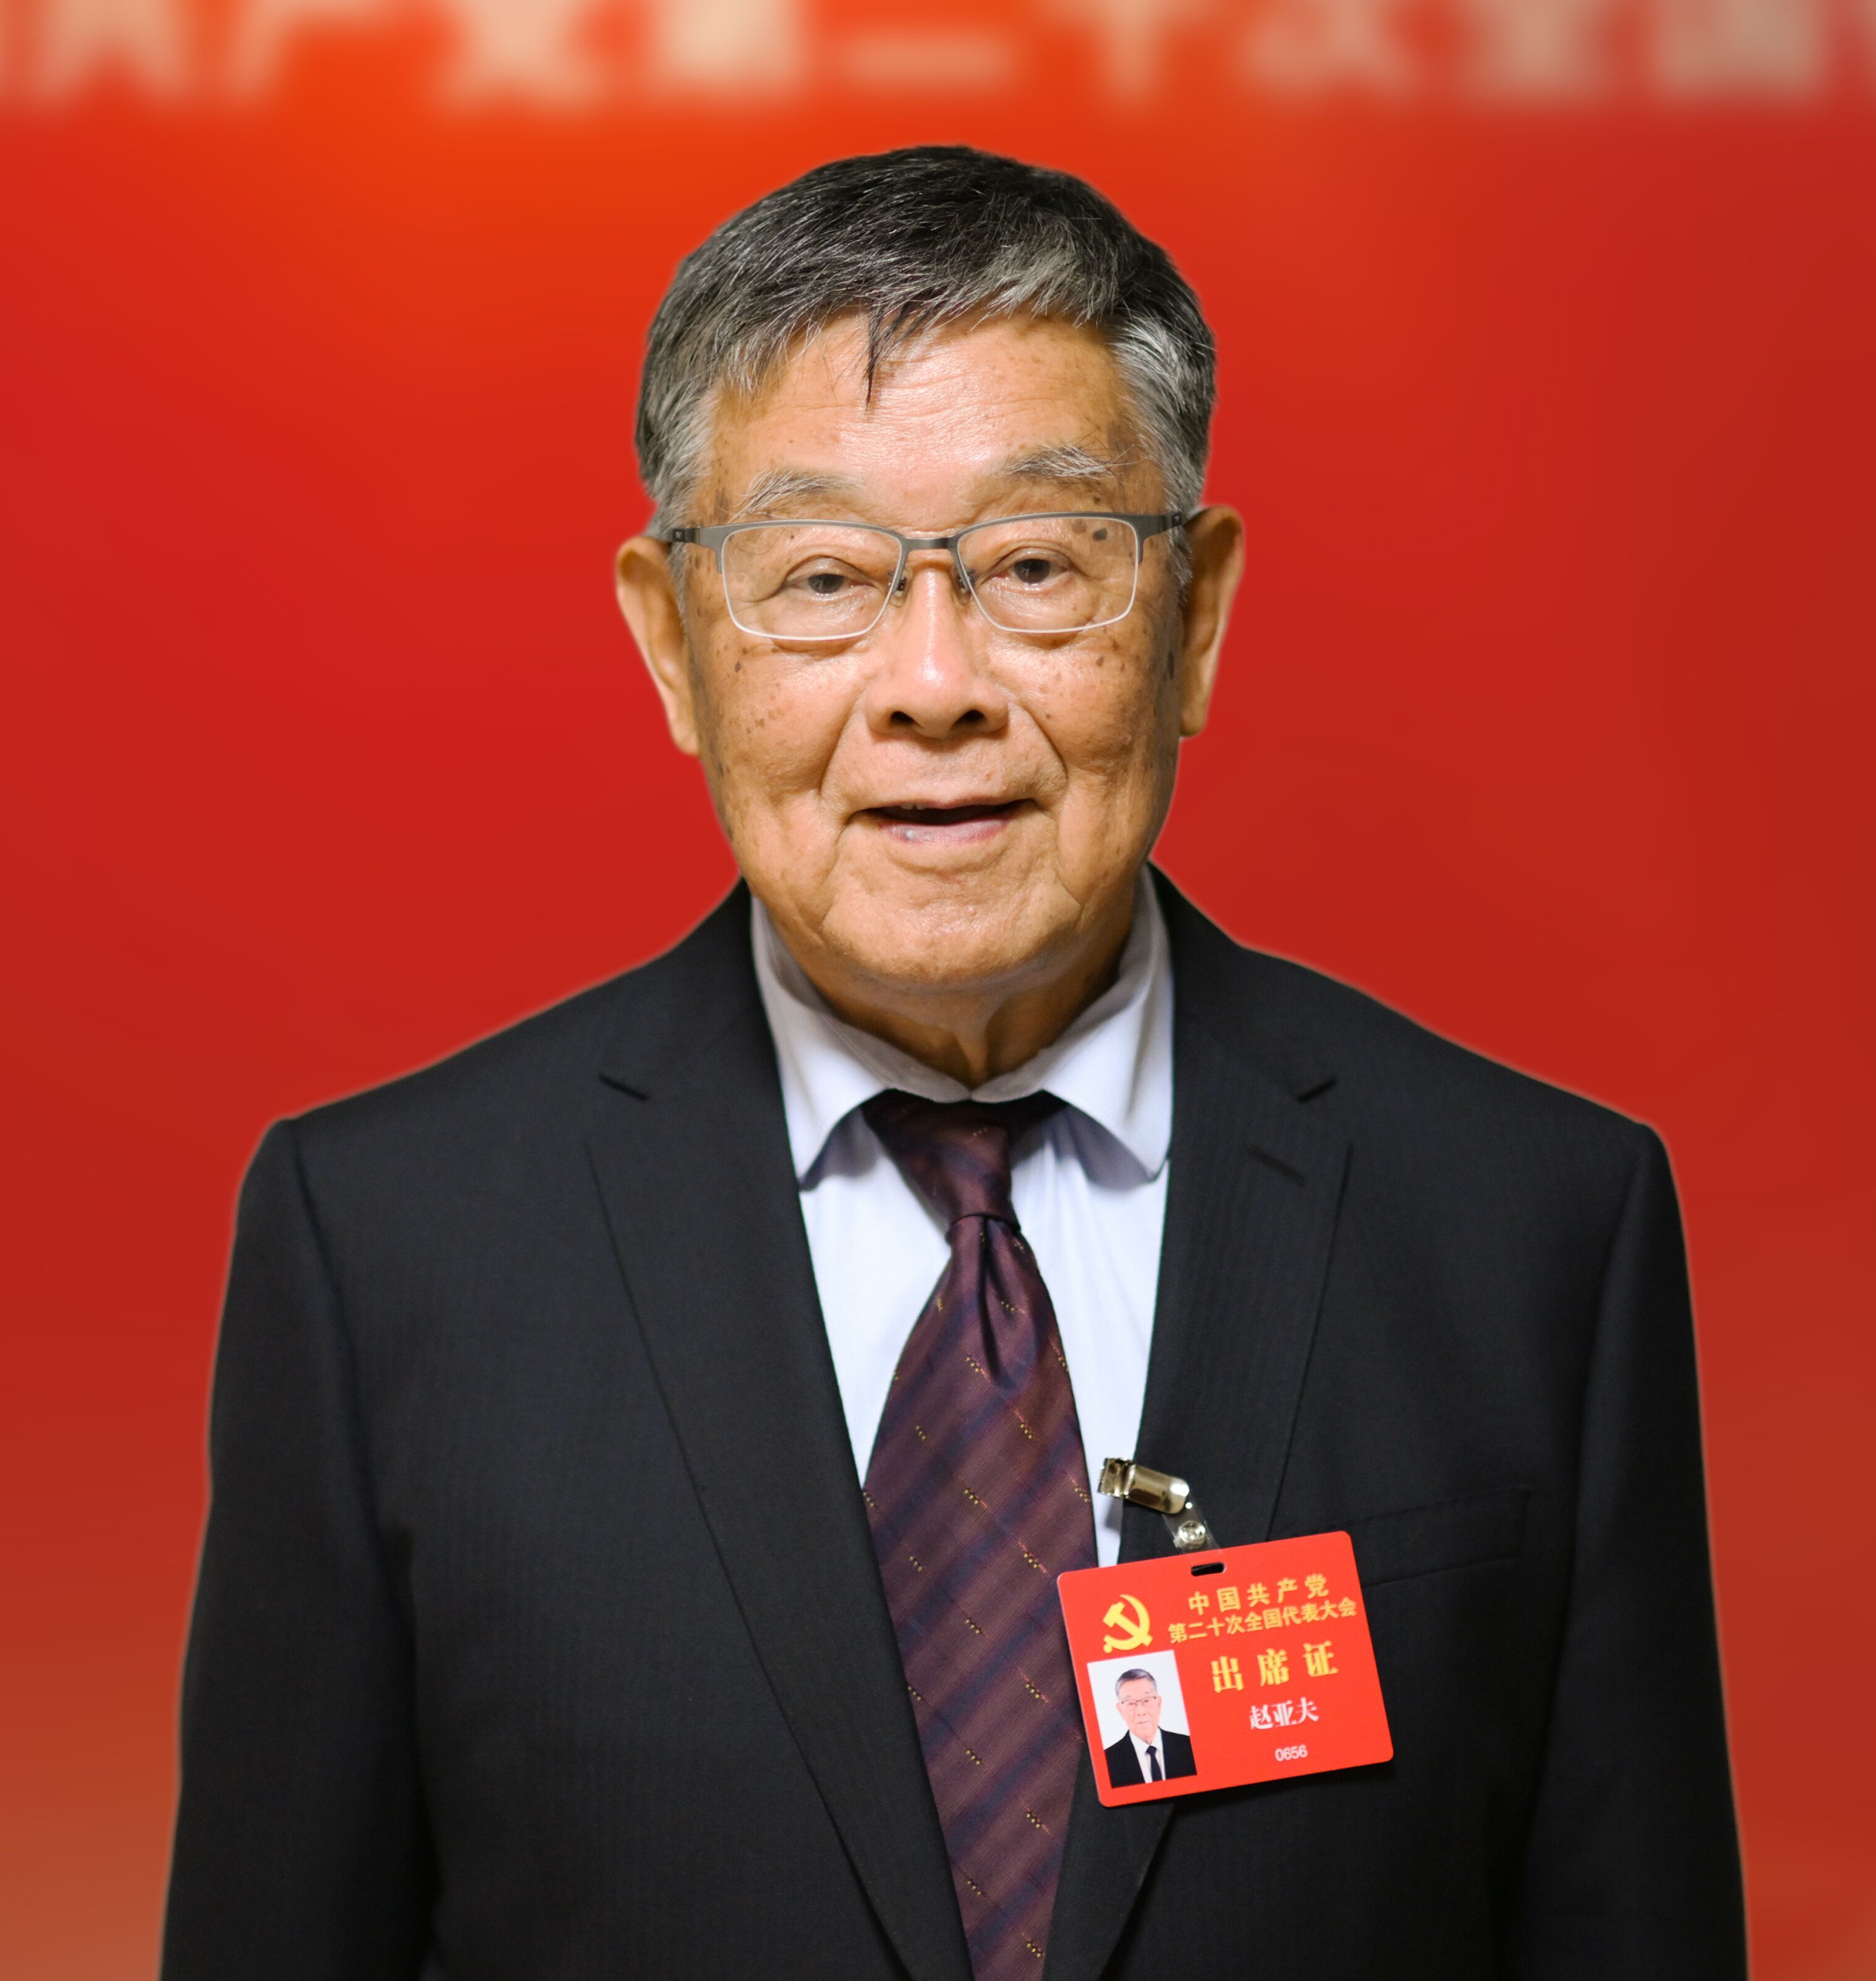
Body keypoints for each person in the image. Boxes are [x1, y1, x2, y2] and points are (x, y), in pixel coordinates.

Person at [161, 145, 1745, 1981]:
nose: (932, 682)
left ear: (1193, 617)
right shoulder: (385, 1252)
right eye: (823, 575)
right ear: (673, 641)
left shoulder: (1536, 1229)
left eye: (1036, 566)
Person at [1103, 1669, 1196, 1786]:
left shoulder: (1189, 1747)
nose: (1141, 1711)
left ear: (1159, 1703)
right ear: (1120, 1710)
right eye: (1131, 1703)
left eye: (1147, 1701)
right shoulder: (1108, 1761)